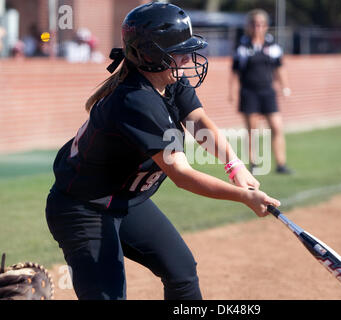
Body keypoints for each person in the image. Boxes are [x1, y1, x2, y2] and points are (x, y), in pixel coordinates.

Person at [45, 2, 280, 300]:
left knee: (182, 271)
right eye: (178, 52)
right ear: (150, 56)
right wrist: (244, 197)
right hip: (82, 208)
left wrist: (234, 165)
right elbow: (181, 174)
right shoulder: (136, 101)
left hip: (126, 199)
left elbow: (198, 122)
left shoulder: (169, 82)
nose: (186, 59)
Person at [229, 9, 293, 175]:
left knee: (277, 127)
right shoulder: (242, 46)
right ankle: (254, 163)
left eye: (261, 24)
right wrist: (232, 91)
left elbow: (280, 68)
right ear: (248, 26)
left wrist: (285, 87)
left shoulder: (272, 46)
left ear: (266, 26)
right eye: (254, 24)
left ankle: (281, 164)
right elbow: (235, 71)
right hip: (249, 92)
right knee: (252, 129)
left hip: (267, 92)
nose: (257, 27)